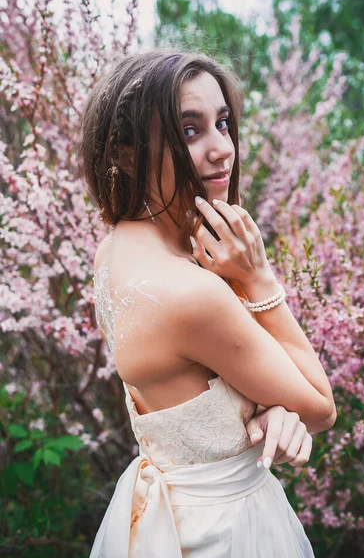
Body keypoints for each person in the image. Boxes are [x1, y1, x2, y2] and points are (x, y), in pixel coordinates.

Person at [78, 48, 336, 557]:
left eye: (222, 123)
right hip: (225, 530)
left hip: (165, 513)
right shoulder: (191, 293)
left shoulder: (113, 251)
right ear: (126, 153)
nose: (222, 148)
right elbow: (322, 407)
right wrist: (259, 280)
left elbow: (195, 386)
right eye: (190, 131)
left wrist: (268, 411)